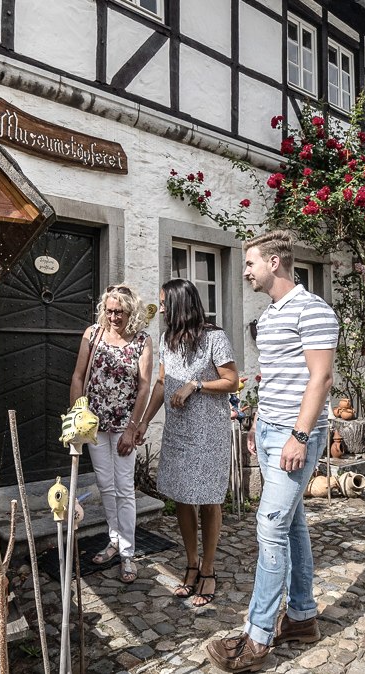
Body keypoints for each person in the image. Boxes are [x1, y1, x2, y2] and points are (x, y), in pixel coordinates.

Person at [206, 230, 336, 672]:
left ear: (275, 263)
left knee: (270, 525)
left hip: (295, 435)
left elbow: (321, 379)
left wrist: (299, 436)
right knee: (293, 523)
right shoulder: (272, 314)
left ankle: (258, 637)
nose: (245, 271)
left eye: (249, 263)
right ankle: (301, 617)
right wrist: (258, 420)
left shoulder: (313, 309)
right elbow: (275, 374)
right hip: (269, 431)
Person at [132, 278, 239, 607]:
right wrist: (143, 421)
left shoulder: (214, 338)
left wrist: (196, 384)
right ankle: (191, 564)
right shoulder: (166, 339)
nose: (160, 307)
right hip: (178, 431)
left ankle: (208, 570)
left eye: (164, 302)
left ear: (179, 304)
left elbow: (232, 381)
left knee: (208, 500)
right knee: (181, 498)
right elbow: (162, 383)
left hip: (208, 432)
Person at [68, 284, 155, 583]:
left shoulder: (143, 341)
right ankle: (114, 540)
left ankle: (128, 554)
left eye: (119, 311)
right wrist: (77, 417)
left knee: (124, 489)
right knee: (106, 485)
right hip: (94, 424)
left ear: (131, 312)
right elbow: (79, 376)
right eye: (109, 310)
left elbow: (144, 386)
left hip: (123, 425)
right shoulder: (92, 334)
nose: (113, 316)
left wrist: (133, 428)